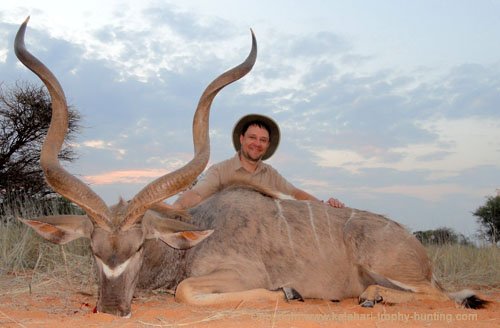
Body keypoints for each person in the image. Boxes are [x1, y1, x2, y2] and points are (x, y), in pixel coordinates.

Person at [172, 114, 345, 209]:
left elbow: (295, 193)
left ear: (268, 145)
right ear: (241, 139)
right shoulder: (220, 170)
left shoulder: (269, 173)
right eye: (252, 137)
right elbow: (197, 194)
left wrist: (324, 205)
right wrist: (176, 207)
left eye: (263, 140)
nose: (257, 144)